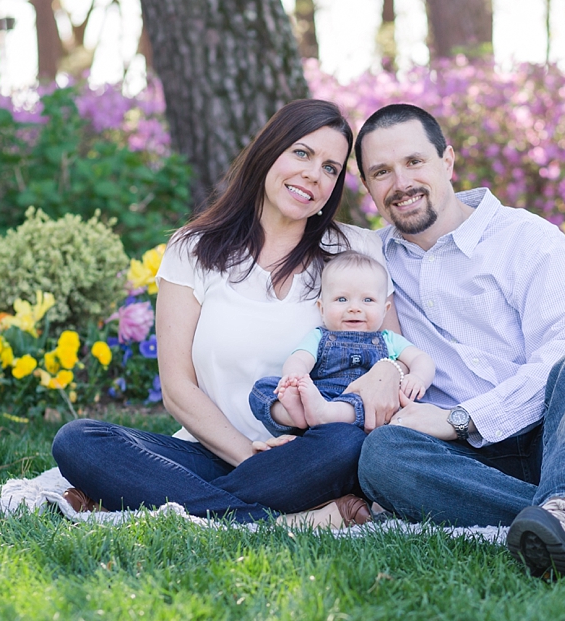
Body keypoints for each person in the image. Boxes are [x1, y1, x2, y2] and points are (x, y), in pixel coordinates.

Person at [351, 103, 565, 577]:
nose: (401, 183)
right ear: (368, 188)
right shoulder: (374, 262)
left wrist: (462, 418)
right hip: (467, 466)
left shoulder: (527, 239)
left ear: (447, 162)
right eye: (381, 172)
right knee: (383, 457)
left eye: (414, 162)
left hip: (563, 441)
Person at [51, 99, 396, 529]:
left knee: (345, 442)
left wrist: (390, 373)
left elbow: (391, 354)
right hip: (215, 451)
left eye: (331, 167)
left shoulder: (356, 251)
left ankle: (171, 503)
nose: (313, 173)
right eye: (302, 153)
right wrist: (246, 452)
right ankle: (291, 518)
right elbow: (177, 388)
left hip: (316, 454)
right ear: (269, 151)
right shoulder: (192, 249)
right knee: (80, 440)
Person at [250, 249, 435, 435]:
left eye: (368, 300)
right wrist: (294, 377)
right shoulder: (319, 336)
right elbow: (300, 358)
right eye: (342, 299)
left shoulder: (389, 339)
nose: (354, 308)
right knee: (263, 388)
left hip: (362, 401)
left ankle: (326, 414)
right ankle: (293, 415)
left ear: (385, 310)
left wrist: (418, 377)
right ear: (322, 309)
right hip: (318, 395)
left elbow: (421, 358)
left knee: (370, 405)